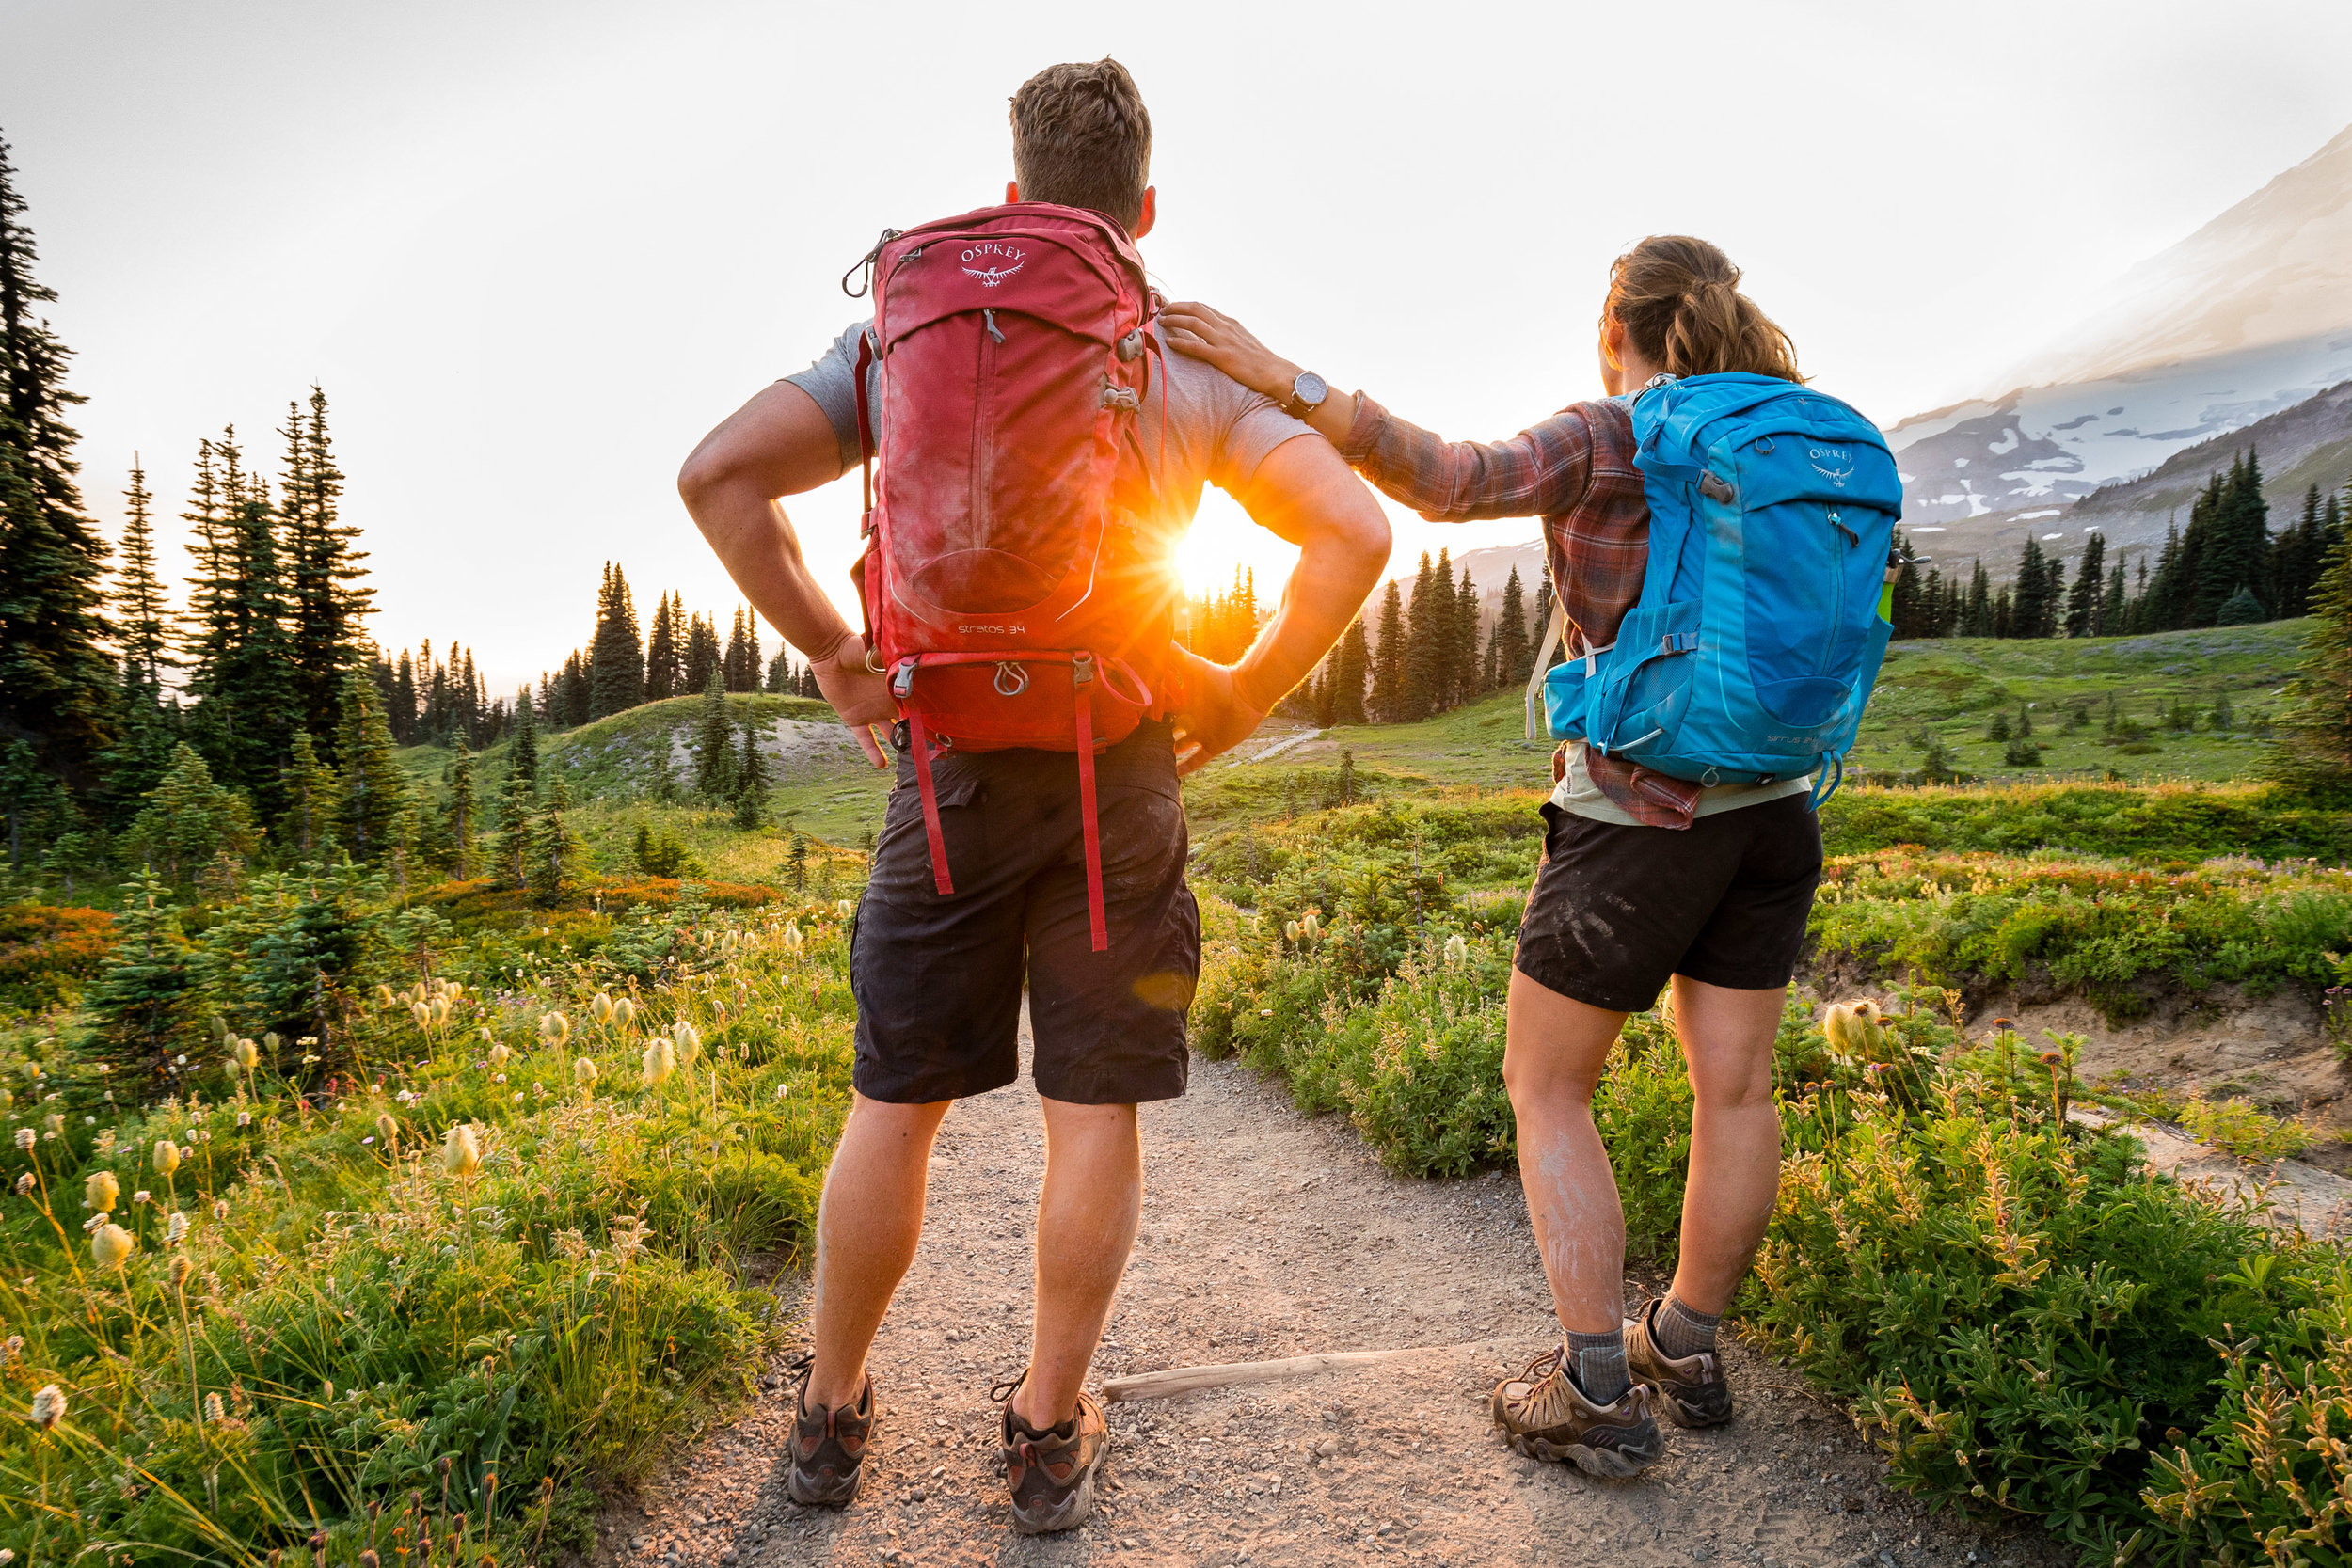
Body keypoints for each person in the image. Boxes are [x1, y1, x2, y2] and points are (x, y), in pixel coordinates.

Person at [677, 58, 1389, 1531]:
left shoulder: (902, 333)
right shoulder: (1174, 352)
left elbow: (719, 476)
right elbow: (1353, 531)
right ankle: (1049, 1430)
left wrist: (835, 655)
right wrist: (1241, 692)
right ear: (1143, 206)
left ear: (1012, 191)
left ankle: (826, 1417)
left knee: (896, 1102)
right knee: (1093, 1109)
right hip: (1116, 767)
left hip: (942, 772)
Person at [1164, 237, 1820, 1476]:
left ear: (1616, 326)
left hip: (1641, 813)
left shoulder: (1615, 432)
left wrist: (1279, 377)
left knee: (1547, 1086)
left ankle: (1594, 1390)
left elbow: (1449, 480)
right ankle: (1683, 1343)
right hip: (1779, 808)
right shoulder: (1790, 437)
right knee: (1735, 1092)